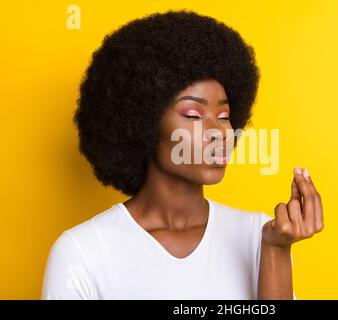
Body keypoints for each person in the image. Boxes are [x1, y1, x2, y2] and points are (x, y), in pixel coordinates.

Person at [41, 9, 323, 300]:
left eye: (224, 115)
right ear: (142, 122)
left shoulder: (259, 234)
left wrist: (275, 249)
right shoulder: (83, 253)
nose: (219, 131)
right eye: (192, 114)